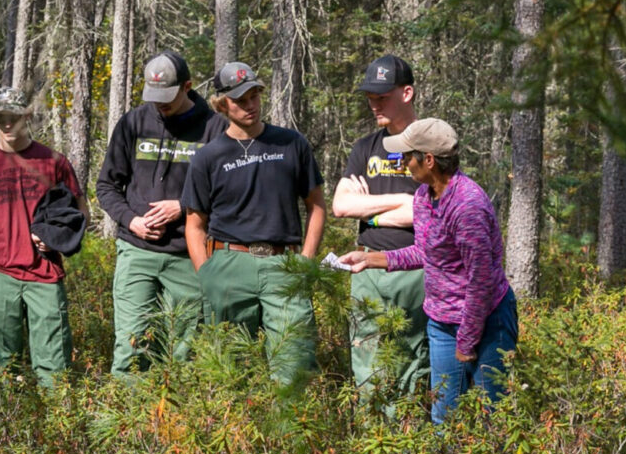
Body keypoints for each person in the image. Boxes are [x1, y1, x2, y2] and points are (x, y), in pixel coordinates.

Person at [341, 119, 517, 423]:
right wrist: (370, 259)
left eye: (409, 156)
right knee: (443, 419)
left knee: (494, 419)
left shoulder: (467, 207)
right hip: (442, 321)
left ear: (429, 160)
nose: (404, 163)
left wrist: (466, 341)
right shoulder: (424, 196)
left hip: (485, 321)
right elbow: (424, 251)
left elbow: (480, 283)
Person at [181, 62, 327, 386]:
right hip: (229, 265)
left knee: (295, 366)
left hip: (283, 264)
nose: (250, 105)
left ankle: (290, 434)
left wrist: (306, 261)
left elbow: (316, 206)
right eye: (240, 99)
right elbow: (194, 224)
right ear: (222, 105)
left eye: (255, 96)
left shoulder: (291, 144)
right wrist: (207, 274)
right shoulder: (207, 158)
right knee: (230, 372)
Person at [95, 51, 224, 375]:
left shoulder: (215, 130)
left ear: (187, 86)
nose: (160, 105)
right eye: (154, 98)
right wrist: (131, 221)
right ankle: (126, 421)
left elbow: (228, 194)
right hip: (136, 251)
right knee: (131, 342)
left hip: (188, 254)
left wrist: (183, 206)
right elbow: (107, 187)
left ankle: (174, 421)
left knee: (184, 347)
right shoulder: (133, 123)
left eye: (167, 97)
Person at [0, 88, 85, 385]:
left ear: (26, 116)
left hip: (45, 273)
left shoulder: (54, 162)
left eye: (13, 117)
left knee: (54, 366)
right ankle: (6, 427)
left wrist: (56, 237)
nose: (7, 124)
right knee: (1, 364)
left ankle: (58, 426)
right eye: (0, 118)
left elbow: (80, 214)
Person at [331, 55, 429, 408]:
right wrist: (398, 204)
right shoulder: (365, 147)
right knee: (366, 357)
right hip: (366, 268)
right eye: (370, 97)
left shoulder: (430, 146)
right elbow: (341, 206)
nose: (374, 105)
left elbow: (426, 212)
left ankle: (409, 438)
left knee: (412, 357)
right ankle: (371, 440)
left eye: (382, 97)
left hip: (416, 269)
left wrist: (369, 207)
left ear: (407, 93)